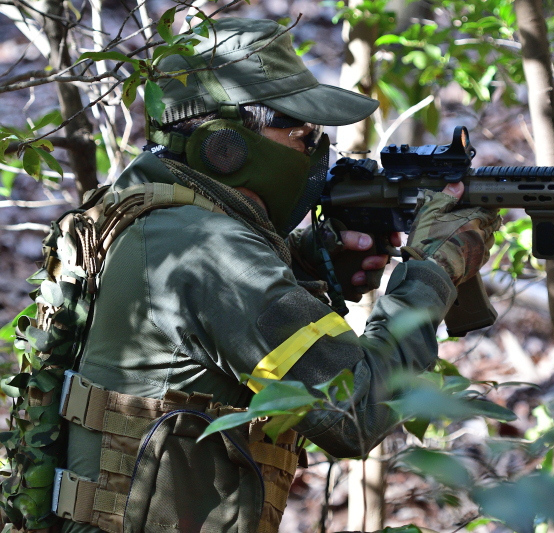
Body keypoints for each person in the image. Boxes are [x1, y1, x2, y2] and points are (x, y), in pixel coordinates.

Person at [53, 17, 500, 533]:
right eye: (303, 134)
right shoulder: (210, 253)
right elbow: (353, 412)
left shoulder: (146, 213)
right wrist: (432, 270)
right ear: (227, 146)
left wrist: (309, 262)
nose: (315, 151)